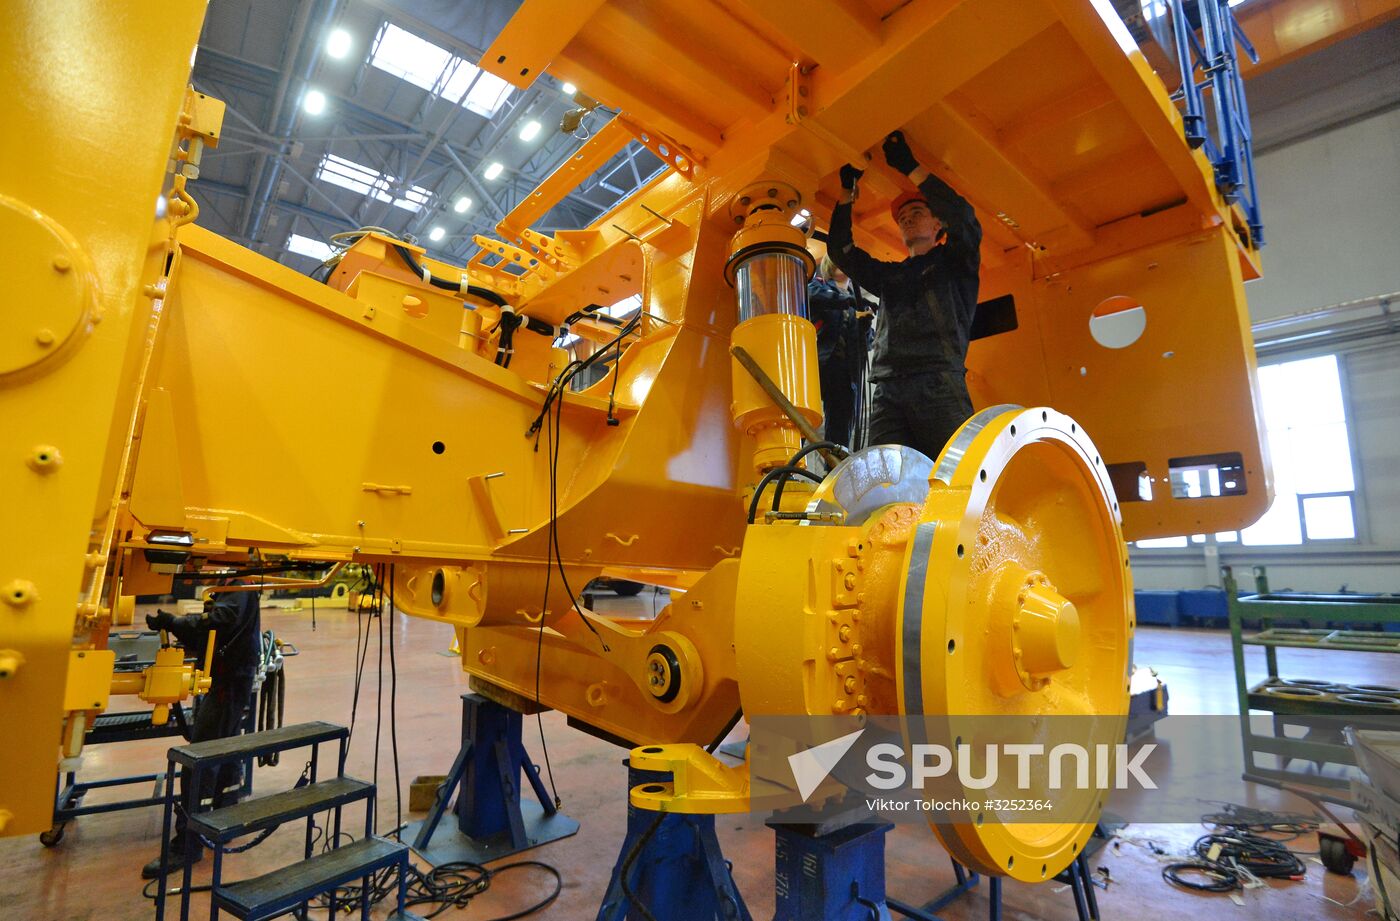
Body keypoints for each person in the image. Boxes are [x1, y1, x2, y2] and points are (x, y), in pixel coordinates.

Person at [827, 130, 982, 461]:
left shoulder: (954, 261)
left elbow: (964, 219)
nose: (908, 221)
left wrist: (910, 166)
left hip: (938, 382)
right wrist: (846, 193)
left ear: (937, 223)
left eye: (917, 214)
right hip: (888, 392)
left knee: (956, 477)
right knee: (886, 486)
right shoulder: (890, 276)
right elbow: (841, 251)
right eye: (902, 219)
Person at [141, 585, 262, 879]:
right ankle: (223, 819)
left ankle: (189, 843)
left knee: (200, 758)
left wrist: (175, 623)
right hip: (231, 675)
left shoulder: (237, 583)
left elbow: (221, 620)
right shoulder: (233, 583)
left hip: (229, 680)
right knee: (227, 749)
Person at [807, 255, 870, 448]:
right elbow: (812, 296)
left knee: (841, 420)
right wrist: (847, 301)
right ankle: (791, 462)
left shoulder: (859, 301)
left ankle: (833, 466)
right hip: (821, 363)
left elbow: (865, 341)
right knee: (806, 413)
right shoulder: (819, 287)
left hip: (846, 370)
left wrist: (866, 326)